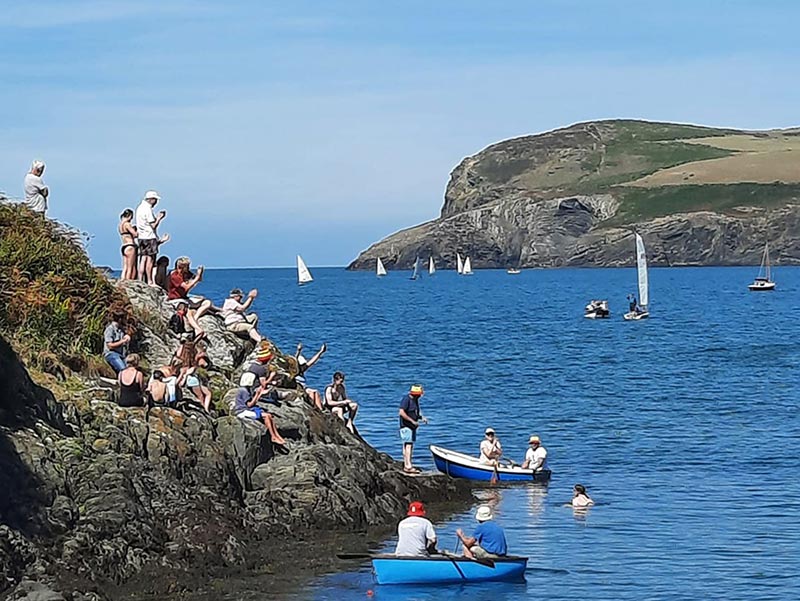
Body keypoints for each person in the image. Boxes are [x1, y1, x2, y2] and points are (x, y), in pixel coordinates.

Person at [167, 257, 212, 339]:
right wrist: (197, 277)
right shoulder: (174, 275)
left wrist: (200, 274)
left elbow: (197, 279)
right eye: (187, 266)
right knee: (188, 312)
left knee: (207, 302)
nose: (188, 268)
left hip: (185, 298)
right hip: (175, 299)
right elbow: (186, 287)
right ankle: (197, 329)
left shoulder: (186, 273)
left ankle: (196, 317)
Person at [135, 190, 167, 285]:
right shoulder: (147, 209)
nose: (156, 202)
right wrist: (159, 218)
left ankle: (140, 279)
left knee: (143, 258)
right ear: (151, 199)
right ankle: (149, 280)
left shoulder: (140, 208)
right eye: (155, 200)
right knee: (150, 259)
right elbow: (153, 225)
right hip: (149, 236)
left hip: (141, 236)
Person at [398, 385, 427, 474]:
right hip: (406, 426)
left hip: (412, 426)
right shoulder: (406, 399)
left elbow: (415, 412)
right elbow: (401, 412)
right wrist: (412, 421)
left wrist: (421, 417)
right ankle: (408, 466)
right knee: (408, 445)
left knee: (408, 445)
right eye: (419, 394)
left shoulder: (415, 400)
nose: (420, 396)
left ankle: (407, 464)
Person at [294, 342, 326, 411]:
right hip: (298, 388)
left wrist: (321, 351)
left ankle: (320, 410)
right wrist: (298, 351)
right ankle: (313, 409)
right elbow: (295, 359)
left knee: (316, 392)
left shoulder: (303, 369)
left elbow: (312, 361)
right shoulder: (294, 371)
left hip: (304, 387)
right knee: (311, 392)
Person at [118, 209, 138, 280]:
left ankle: (123, 279)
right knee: (130, 266)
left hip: (124, 245)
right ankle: (129, 280)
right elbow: (135, 234)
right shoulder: (127, 224)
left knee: (125, 266)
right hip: (130, 245)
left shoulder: (120, 225)